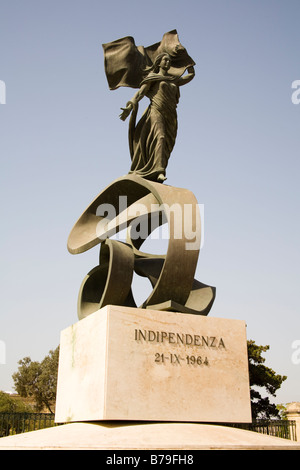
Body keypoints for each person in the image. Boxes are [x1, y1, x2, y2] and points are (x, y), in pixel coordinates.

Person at [120, 53, 195, 182]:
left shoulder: (173, 79)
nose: (167, 62)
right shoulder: (153, 77)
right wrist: (130, 105)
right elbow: (141, 92)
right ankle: (160, 170)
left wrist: (188, 62)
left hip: (170, 115)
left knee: (166, 144)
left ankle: (158, 167)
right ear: (159, 63)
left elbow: (190, 75)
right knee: (160, 137)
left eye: (169, 60)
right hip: (156, 110)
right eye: (165, 60)